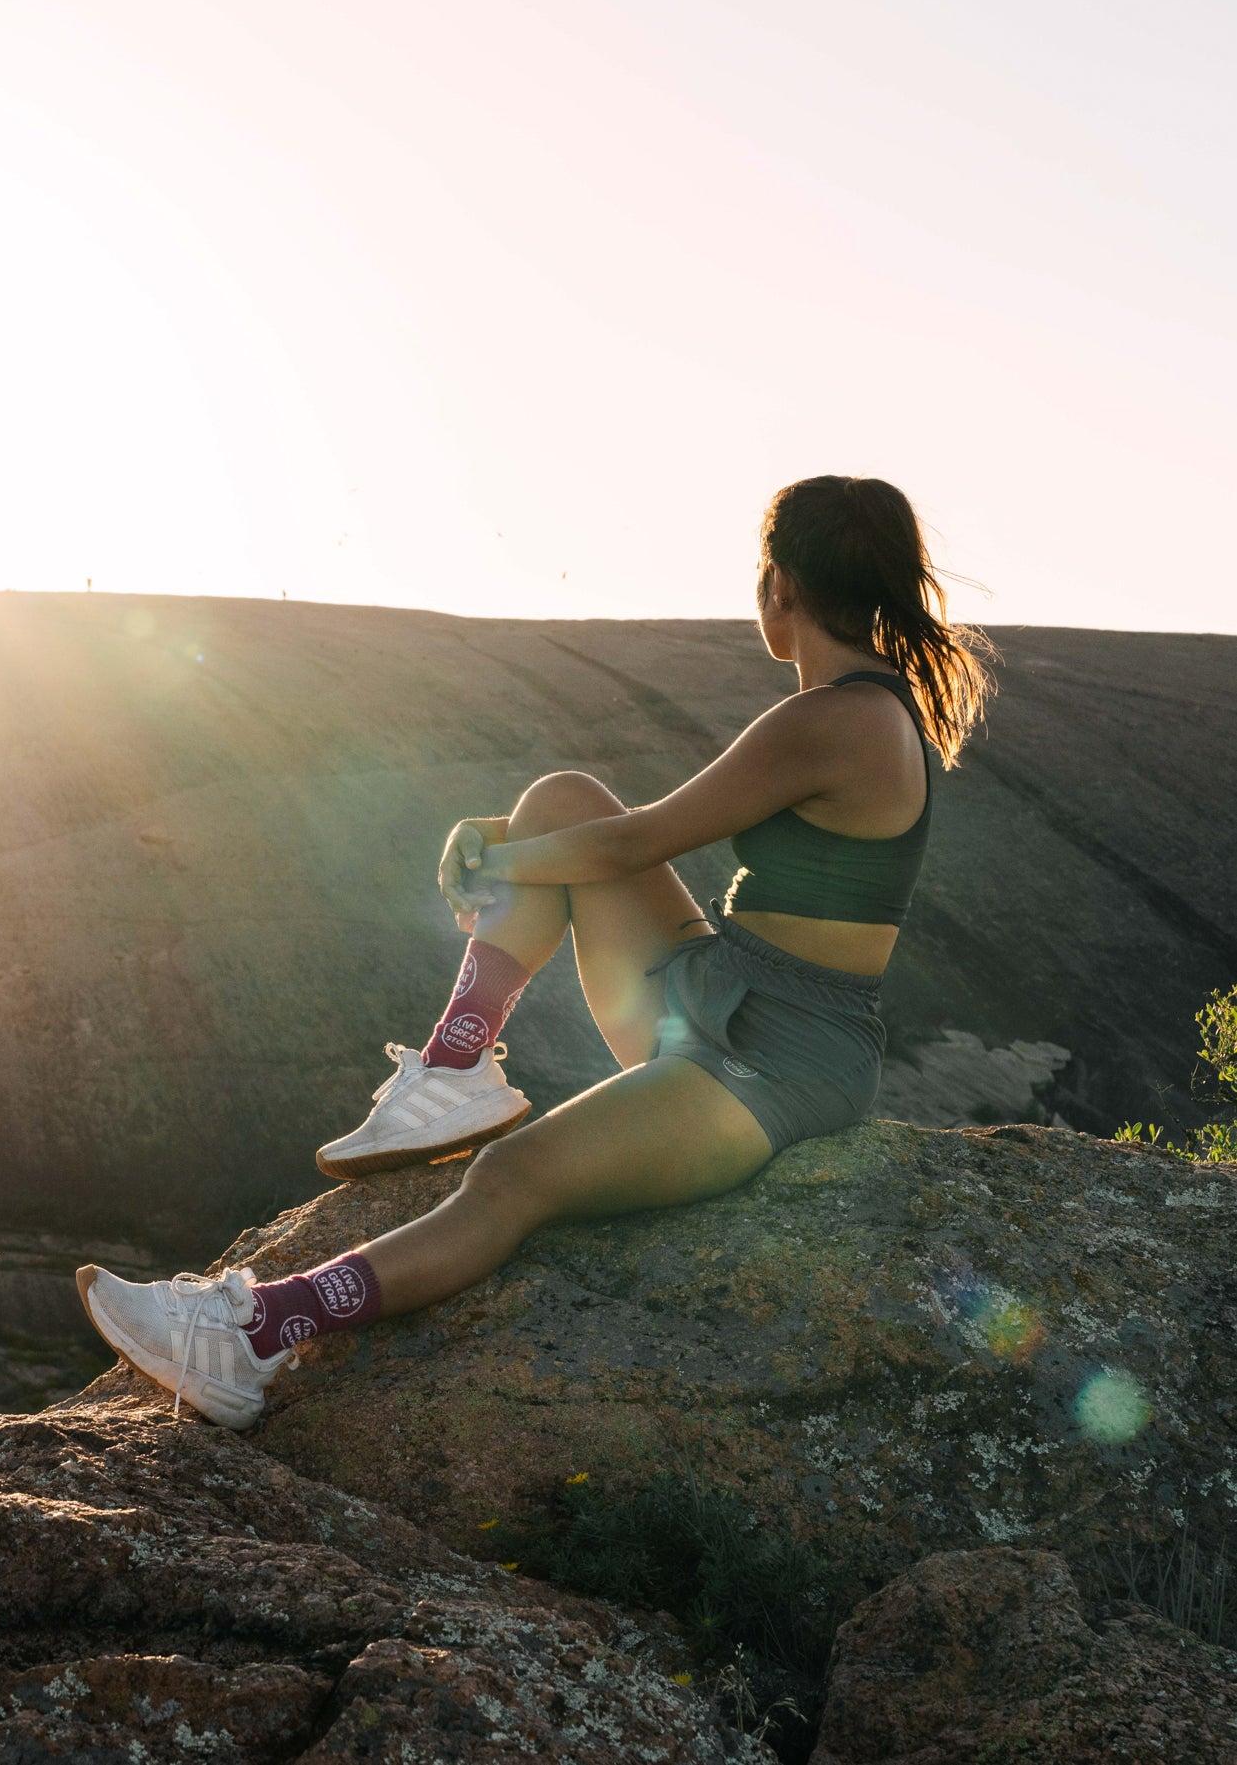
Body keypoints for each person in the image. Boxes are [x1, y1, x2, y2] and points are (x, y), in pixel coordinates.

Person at [76, 475, 996, 1428]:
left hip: (773, 1063)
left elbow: (638, 843)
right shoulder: (856, 711)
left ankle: (252, 1335)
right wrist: (520, 836)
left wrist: (497, 856)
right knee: (562, 796)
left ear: (779, 588)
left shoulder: (834, 721)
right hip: (726, 992)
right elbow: (609, 830)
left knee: (511, 1180)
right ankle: (455, 1069)